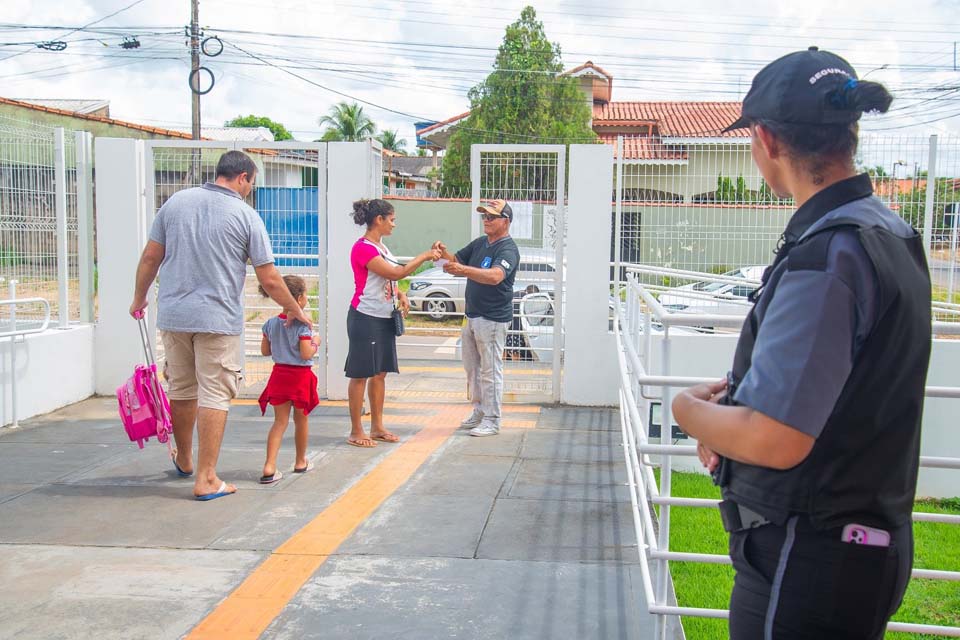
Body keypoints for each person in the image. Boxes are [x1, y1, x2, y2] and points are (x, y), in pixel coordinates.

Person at [671, 47, 931, 639]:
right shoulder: (889, 232)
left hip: (807, 560)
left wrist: (691, 413)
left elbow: (778, 437)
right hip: (853, 549)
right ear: (851, 129)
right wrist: (731, 424)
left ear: (765, 141)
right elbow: (848, 394)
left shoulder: (828, 254)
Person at [130, 150, 311, 501]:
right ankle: (207, 478)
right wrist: (296, 311)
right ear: (242, 177)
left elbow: (151, 256)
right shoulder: (246, 216)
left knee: (182, 389)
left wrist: (139, 298)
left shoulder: (176, 203)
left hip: (174, 316)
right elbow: (270, 278)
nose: (250, 190)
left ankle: (184, 458)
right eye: (251, 183)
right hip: (217, 319)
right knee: (215, 393)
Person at [345, 199, 440, 447]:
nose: (394, 225)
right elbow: (395, 273)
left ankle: (377, 426)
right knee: (360, 374)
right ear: (380, 220)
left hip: (383, 316)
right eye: (392, 219)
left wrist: (401, 294)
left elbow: (388, 280)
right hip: (366, 317)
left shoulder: (381, 248)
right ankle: (357, 430)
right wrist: (425, 256)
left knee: (379, 373)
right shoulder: (363, 248)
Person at [433, 199, 520, 437]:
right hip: (472, 316)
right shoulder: (481, 243)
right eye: (484, 216)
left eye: (492, 217)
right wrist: (441, 256)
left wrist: (464, 270)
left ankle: (492, 420)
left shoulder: (508, 249)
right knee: (473, 369)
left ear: (506, 221)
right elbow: (454, 263)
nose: (486, 220)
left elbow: (494, 276)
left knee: (490, 370)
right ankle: (480, 411)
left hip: (492, 319)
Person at [257, 275, 319, 484]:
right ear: (299, 298)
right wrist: (315, 342)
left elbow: (265, 351)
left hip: (279, 376)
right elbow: (305, 354)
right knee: (301, 420)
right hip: (300, 377)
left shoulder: (270, 324)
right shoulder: (303, 327)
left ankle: (269, 465)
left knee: (279, 422)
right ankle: (300, 460)